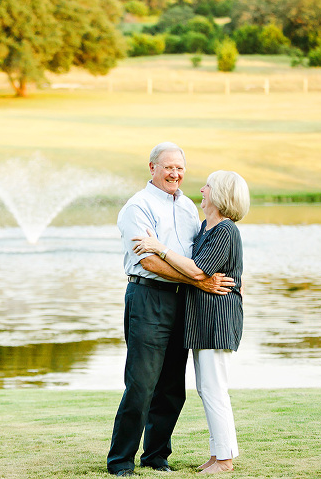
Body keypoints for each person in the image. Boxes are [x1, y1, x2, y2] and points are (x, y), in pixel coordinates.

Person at [107, 143, 235, 477]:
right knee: (141, 384)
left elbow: (195, 257)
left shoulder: (190, 208)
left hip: (183, 301)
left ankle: (156, 455)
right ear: (152, 167)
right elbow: (147, 259)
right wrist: (197, 280)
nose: (175, 174)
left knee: (172, 387)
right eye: (168, 167)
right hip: (148, 297)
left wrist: (195, 280)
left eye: (180, 168)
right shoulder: (138, 207)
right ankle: (120, 461)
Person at [132, 170, 250, 475]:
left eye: (207, 186)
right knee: (207, 388)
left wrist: (158, 247)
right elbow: (199, 273)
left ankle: (224, 460)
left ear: (220, 194)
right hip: (203, 321)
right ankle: (217, 454)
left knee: (213, 389)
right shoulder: (206, 228)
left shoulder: (225, 231)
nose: (201, 189)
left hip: (217, 322)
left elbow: (198, 270)